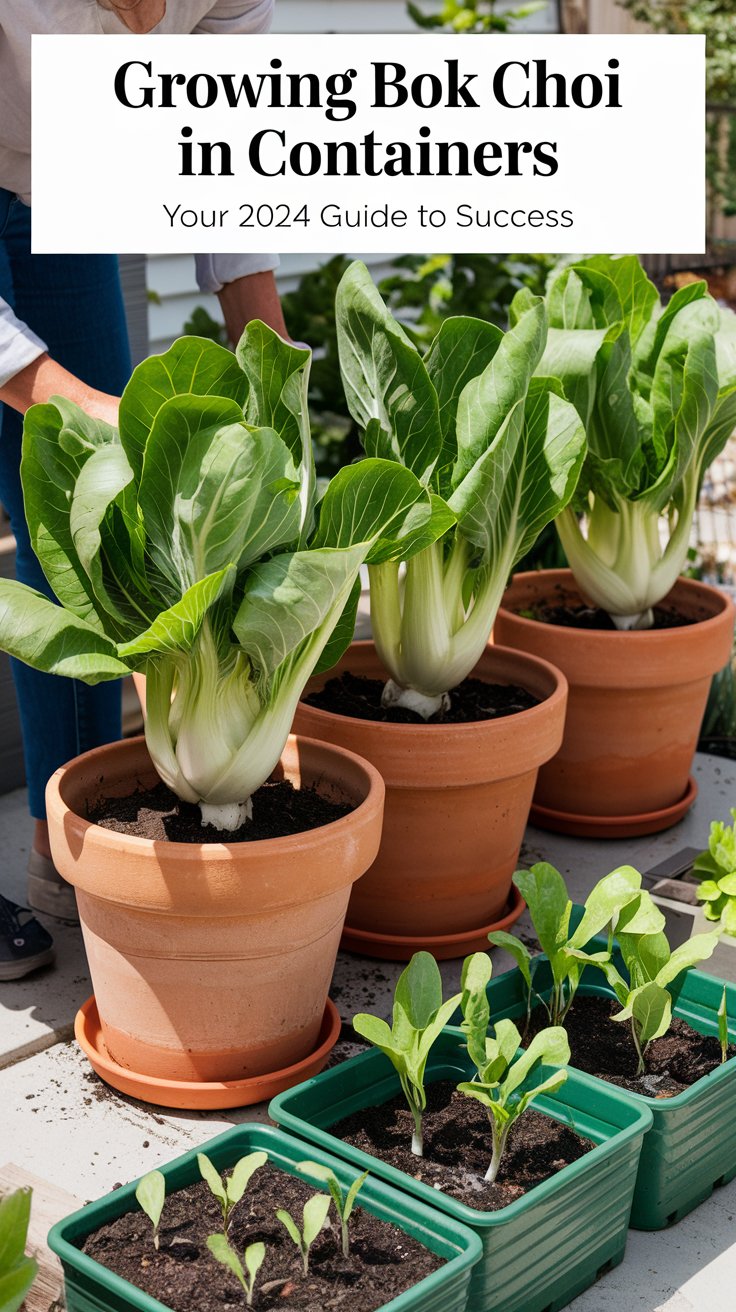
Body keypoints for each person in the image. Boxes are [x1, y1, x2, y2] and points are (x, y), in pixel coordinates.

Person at [0, 0, 287, 979]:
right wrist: (67, 393)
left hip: (51, 183)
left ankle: (63, 847)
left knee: (85, 523)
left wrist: (273, 361)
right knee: (72, 418)